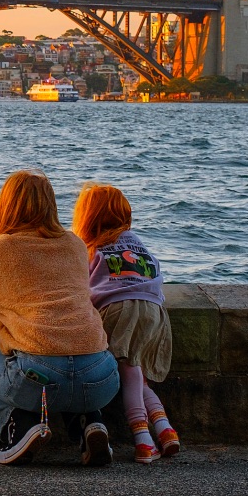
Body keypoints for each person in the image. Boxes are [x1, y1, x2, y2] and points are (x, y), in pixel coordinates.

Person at [0, 170, 121, 466]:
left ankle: (19, 425)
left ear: (5, 205)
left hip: (38, 379)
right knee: (74, 371)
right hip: (102, 376)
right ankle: (88, 421)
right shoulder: (75, 244)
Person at [72, 183, 181, 464]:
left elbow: (81, 288)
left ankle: (142, 440)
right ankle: (165, 428)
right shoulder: (137, 242)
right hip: (154, 310)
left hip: (118, 309)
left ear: (87, 216)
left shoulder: (91, 248)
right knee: (137, 374)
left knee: (128, 372)